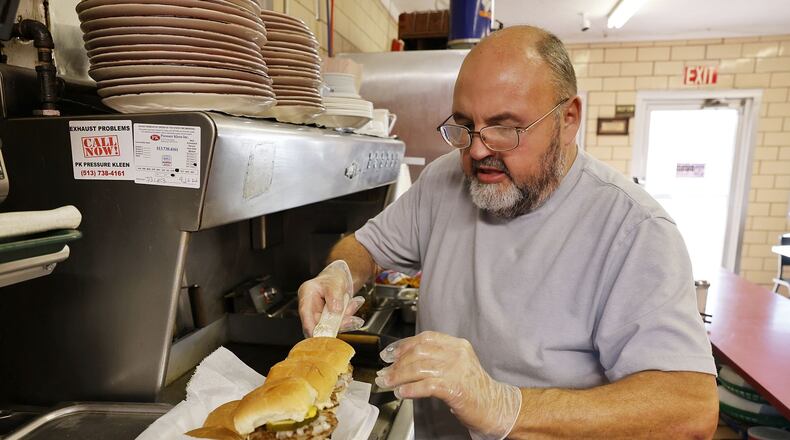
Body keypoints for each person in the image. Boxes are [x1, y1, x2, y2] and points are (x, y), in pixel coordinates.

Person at [298, 25, 719, 439]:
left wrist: (505, 407)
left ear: (568, 120)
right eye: (464, 125)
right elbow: (365, 247)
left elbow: (689, 409)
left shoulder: (634, 231)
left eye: (505, 128)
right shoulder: (445, 181)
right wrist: (339, 271)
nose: (478, 150)